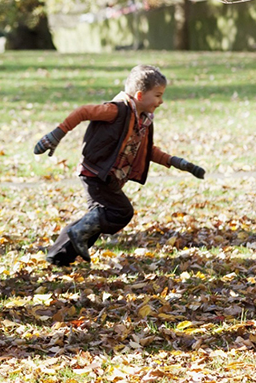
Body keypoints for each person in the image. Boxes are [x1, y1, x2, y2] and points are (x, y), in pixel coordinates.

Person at [35, 64, 206, 266]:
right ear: (140, 96)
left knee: (94, 219)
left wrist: (178, 163)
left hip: (110, 176)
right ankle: (74, 237)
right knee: (120, 212)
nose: (161, 101)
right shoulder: (116, 110)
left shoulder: (141, 121)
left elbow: (146, 149)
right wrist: (57, 134)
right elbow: (83, 111)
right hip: (96, 173)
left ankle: (58, 257)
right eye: (158, 95)